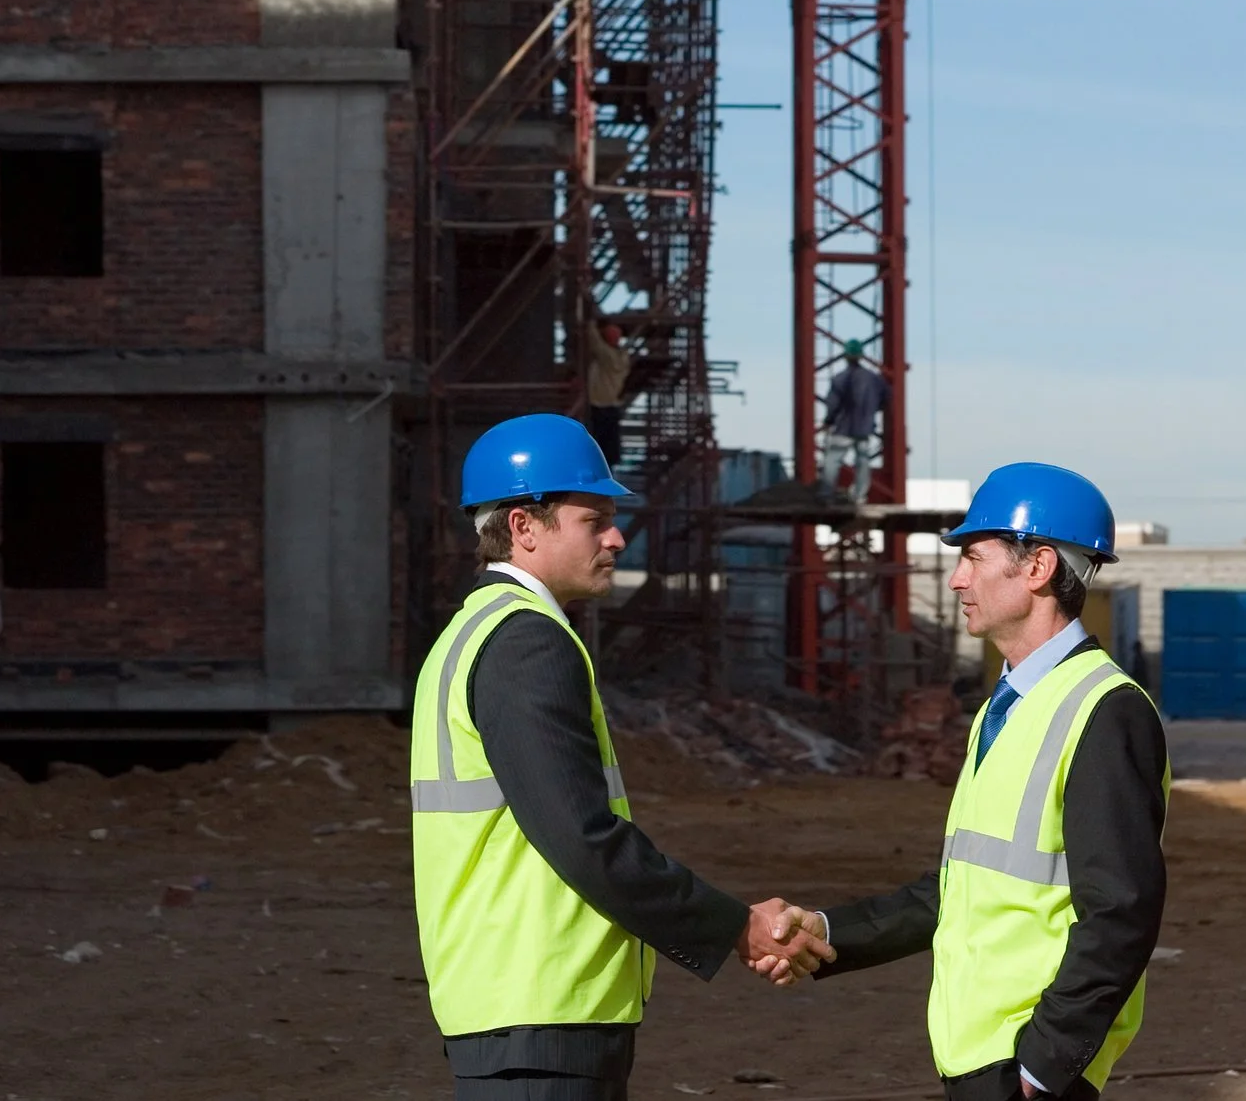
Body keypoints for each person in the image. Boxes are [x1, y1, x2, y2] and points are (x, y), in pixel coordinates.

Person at [411, 414, 816, 1101]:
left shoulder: (469, 633)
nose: (617, 536)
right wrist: (735, 928)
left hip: (513, 1004)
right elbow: (583, 836)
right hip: (541, 1004)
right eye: (594, 518)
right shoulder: (525, 643)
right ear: (523, 526)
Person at [760, 462, 1170, 1101]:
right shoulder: (1003, 705)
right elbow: (961, 886)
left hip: (1025, 1068)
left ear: (1036, 568)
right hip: (978, 1054)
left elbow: (1121, 912)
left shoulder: (1105, 709)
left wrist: (1044, 1066)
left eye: (974, 558)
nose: (957, 580)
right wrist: (829, 930)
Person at [821, 339, 890, 502]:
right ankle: (859, 496)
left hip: (843, 428)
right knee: (863, 461)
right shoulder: (875, 379)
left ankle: (826, 495)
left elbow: (833, 404)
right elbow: (887, 398)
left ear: (846, 356)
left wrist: (828, 421)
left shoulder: (839, 379)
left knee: (832, 460)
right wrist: (872, 411)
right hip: (864, 427)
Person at [584, 315, 636, 471]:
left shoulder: (608, 356)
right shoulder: (622, 357)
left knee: (598, 445)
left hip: (600, 405)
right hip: (611, 406)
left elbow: (595, 342)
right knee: (608, 449)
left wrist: (591, 323)